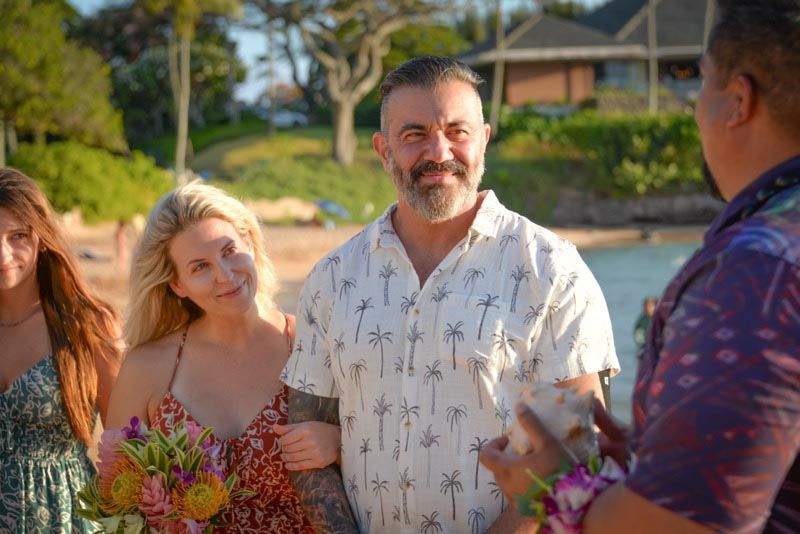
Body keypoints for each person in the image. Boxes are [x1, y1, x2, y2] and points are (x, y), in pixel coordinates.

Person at [480, 1, 800, 532]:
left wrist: (556, 489)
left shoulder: (756, 272)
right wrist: (663, 451)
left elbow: (680, 524)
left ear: (738, 101)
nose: (694, 110)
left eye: (703, 84)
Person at [283, 56, 620, 533]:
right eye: (414, 134)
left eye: (457, 131)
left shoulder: (552, 269)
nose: (439, 152)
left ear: (484, 138)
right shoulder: (333, 278)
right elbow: (305, 445)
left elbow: (578, 451)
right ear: (383, 149)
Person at [106, 182, 341, 532]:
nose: (225, 275)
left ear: (249, 243)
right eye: (200, 267)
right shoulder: (147, 367)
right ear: (177, 285)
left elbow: (388, 454)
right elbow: (115, 499)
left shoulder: (312, 345)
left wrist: (339, 444)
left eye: (229, 250)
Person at [0, 167, 122, 532]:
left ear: (41, 238)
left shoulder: (86, 325)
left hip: (66, 518)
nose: (3, 254)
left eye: (17, 236)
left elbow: (124, 442)